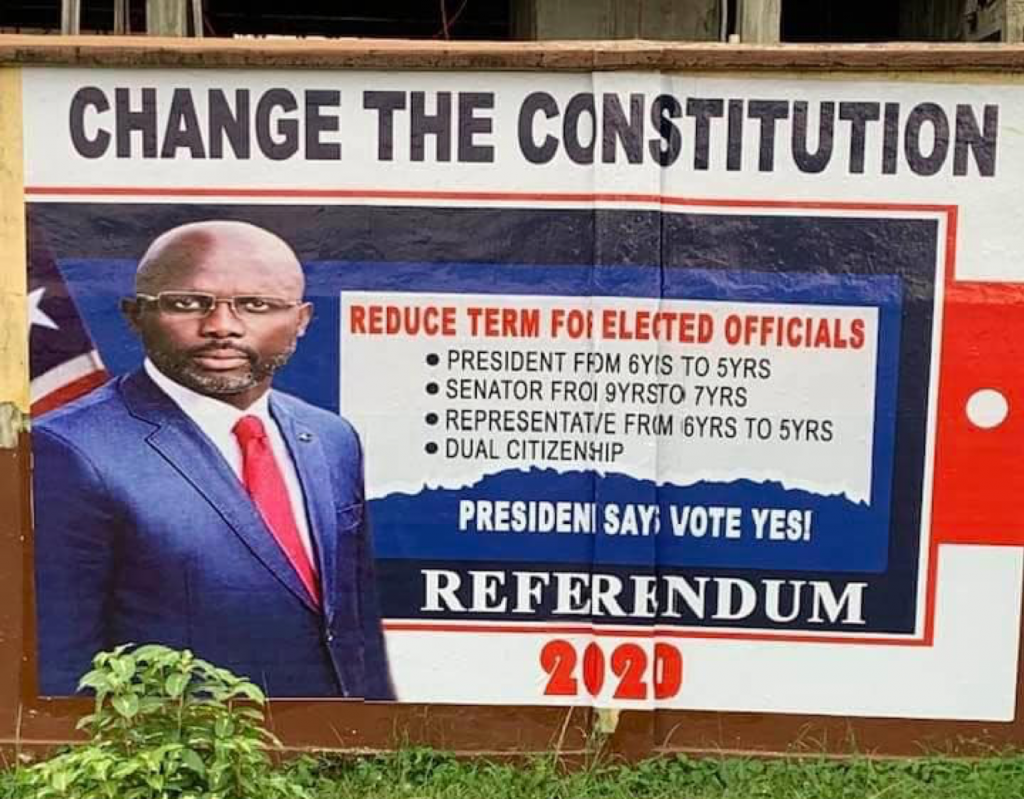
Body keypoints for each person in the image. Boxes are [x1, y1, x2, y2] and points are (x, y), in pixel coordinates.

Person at [33, 220, 394, 700]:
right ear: (135, 315)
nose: (222, 326)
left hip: (336, 759)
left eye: (256, 305)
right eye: (187, 302)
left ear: (302, 319)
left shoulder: (331, 438)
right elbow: (62, 669)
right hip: (183, 764)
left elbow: (354, 631)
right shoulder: (70, 448)